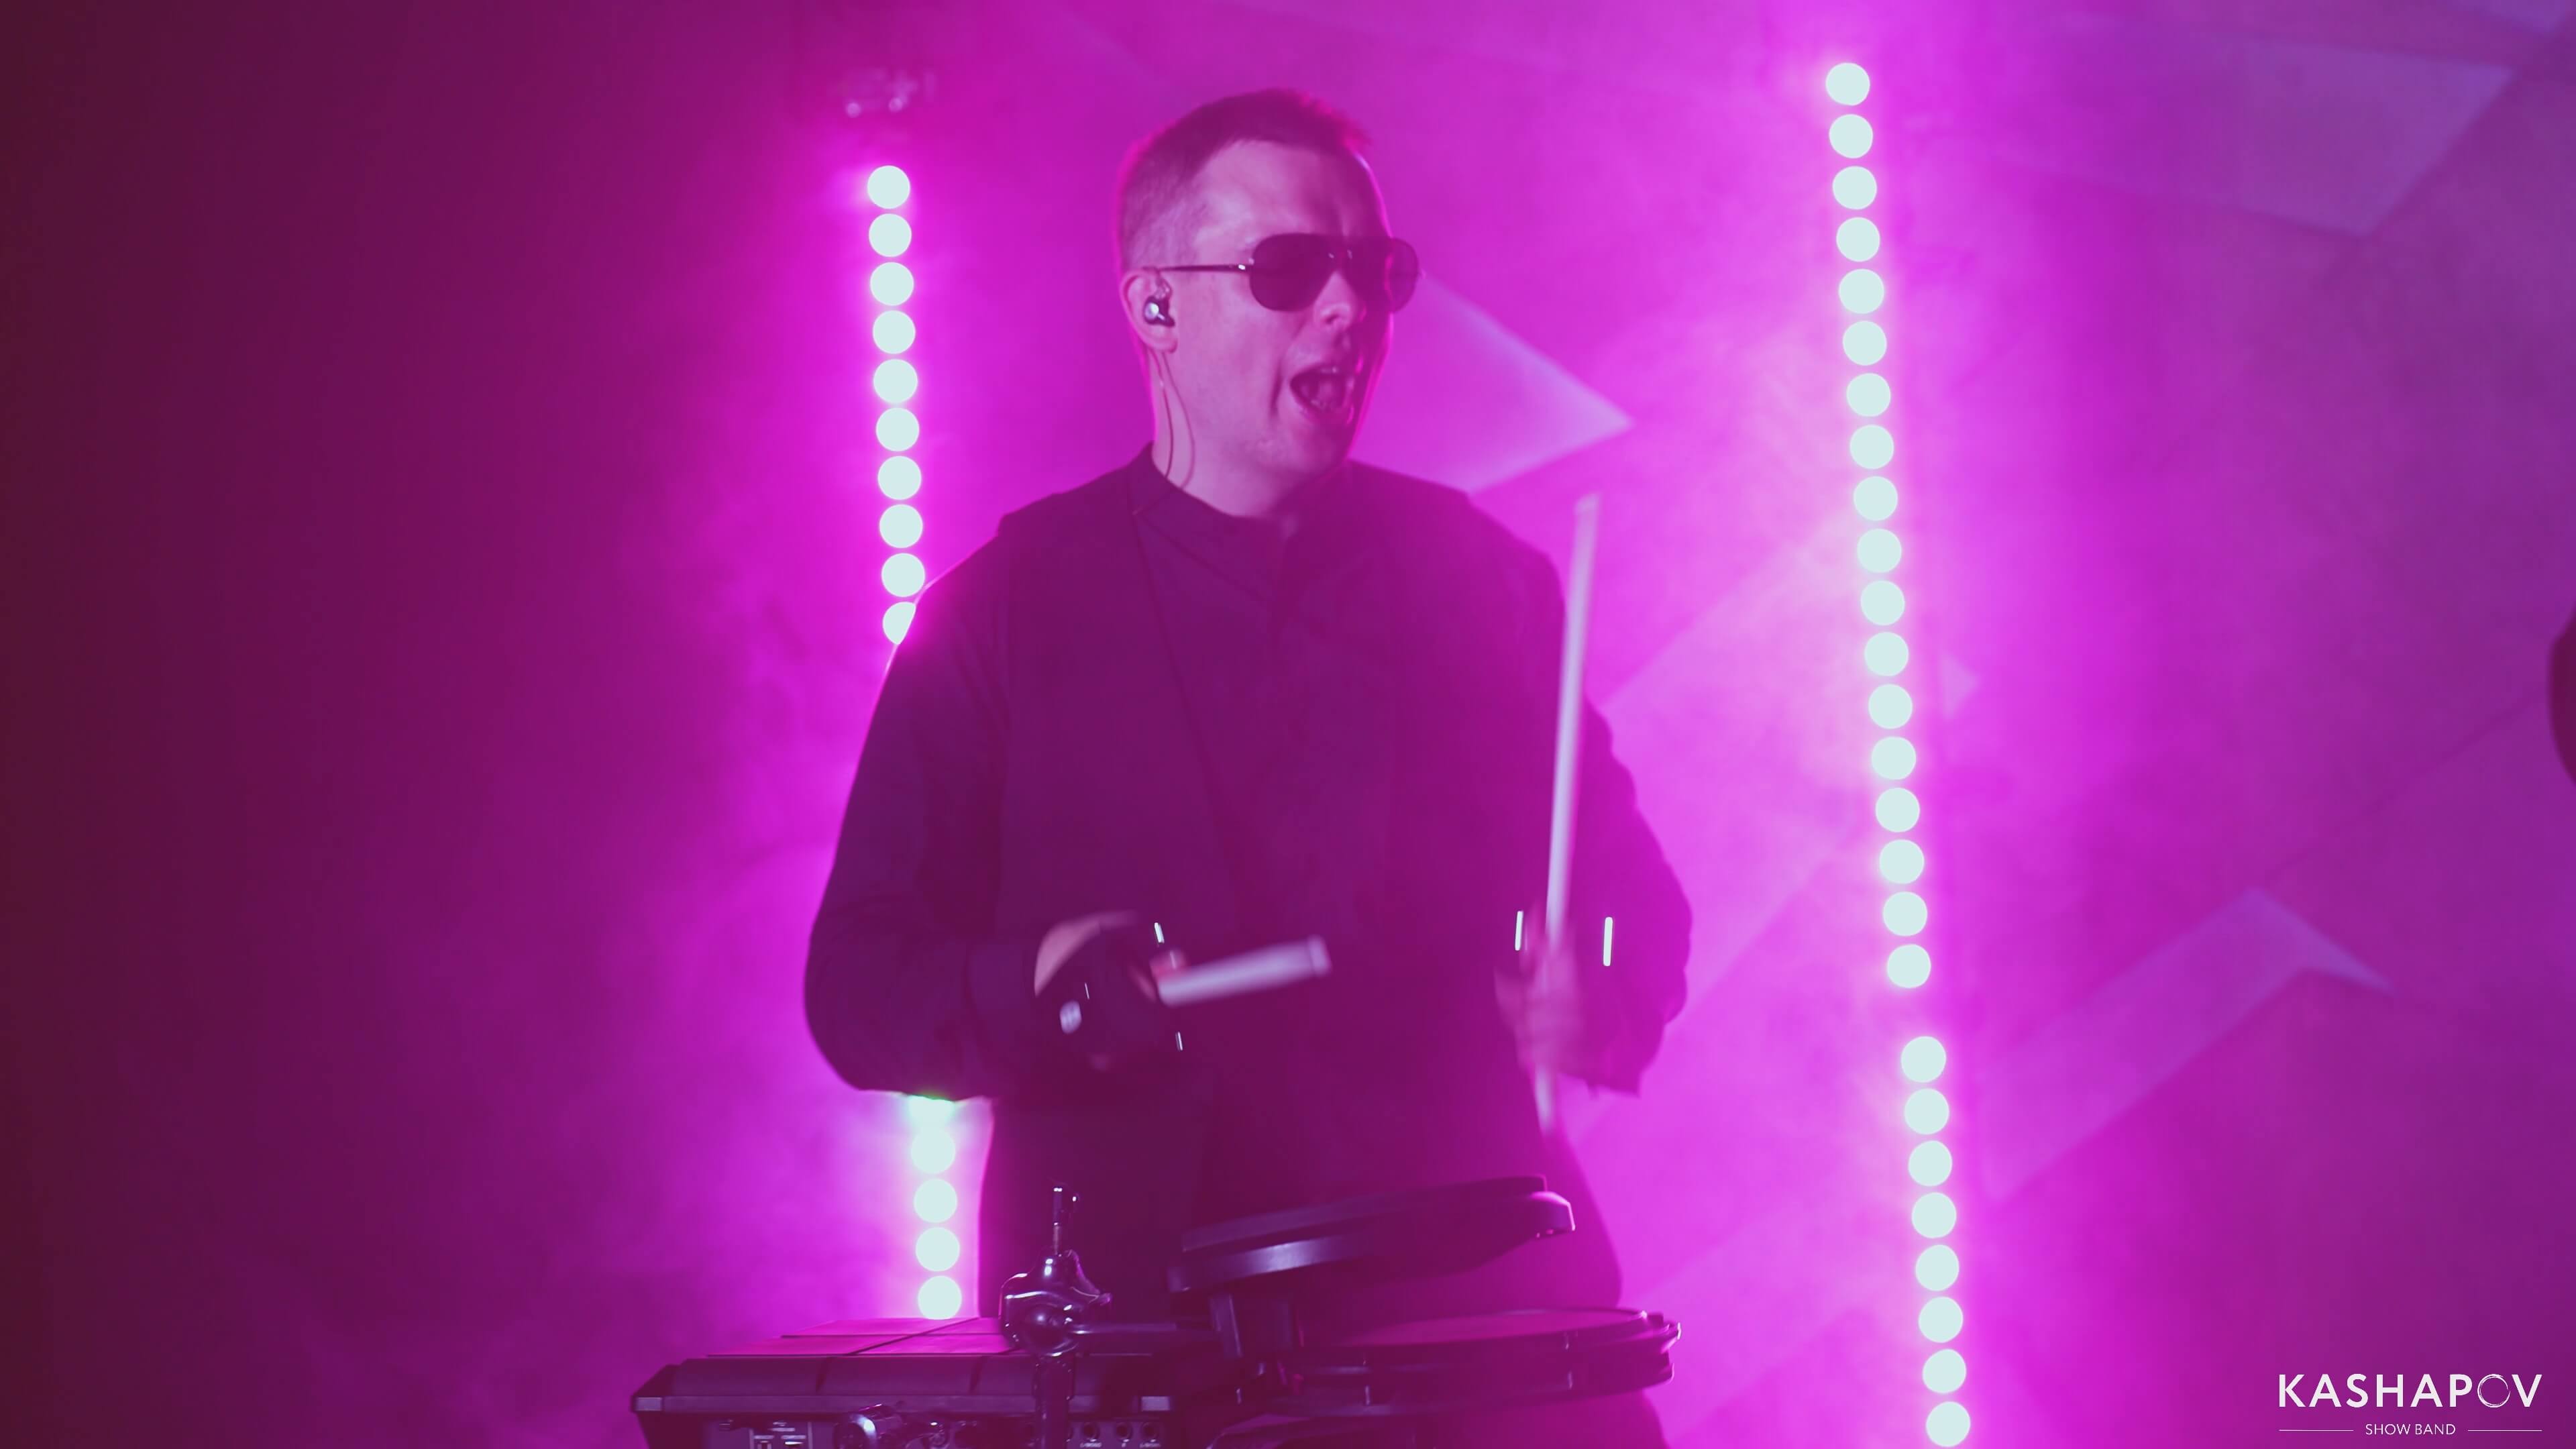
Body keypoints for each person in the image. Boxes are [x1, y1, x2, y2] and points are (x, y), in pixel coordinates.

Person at [804, 89, 1690, 1445]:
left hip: (1479, 1336)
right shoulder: (1005, 610)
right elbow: (860, 988)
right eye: (1289, 269)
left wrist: (1599, 989)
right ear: (1156, 306)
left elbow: (1634, 901)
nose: (1349, 309)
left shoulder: (1483, 582)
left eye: (1373, 271)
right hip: (1150, 1354)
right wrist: (1036, 989)